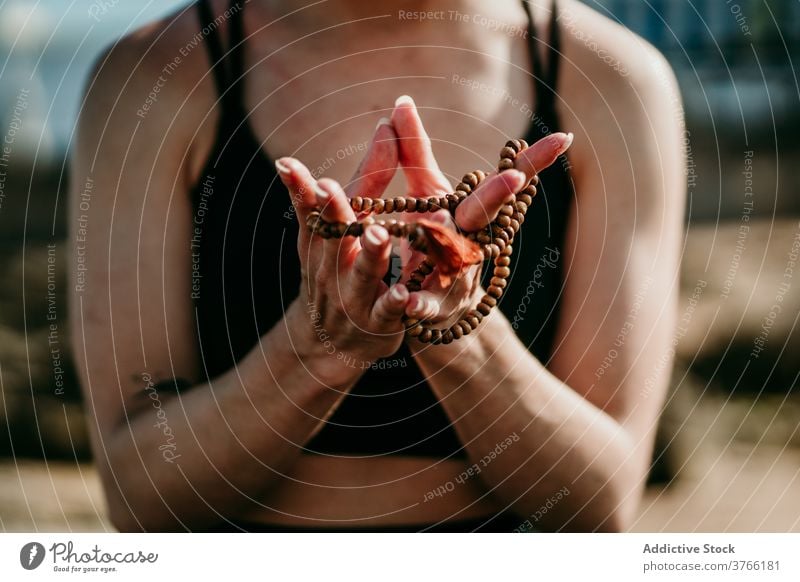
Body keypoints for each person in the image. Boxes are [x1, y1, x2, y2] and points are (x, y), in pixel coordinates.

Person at [68, 0, 685, 532]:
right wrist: (316, 351)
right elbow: (139, 494)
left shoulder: (611, 80)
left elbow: (601, 500)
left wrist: (460, 340)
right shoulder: (152, 77)